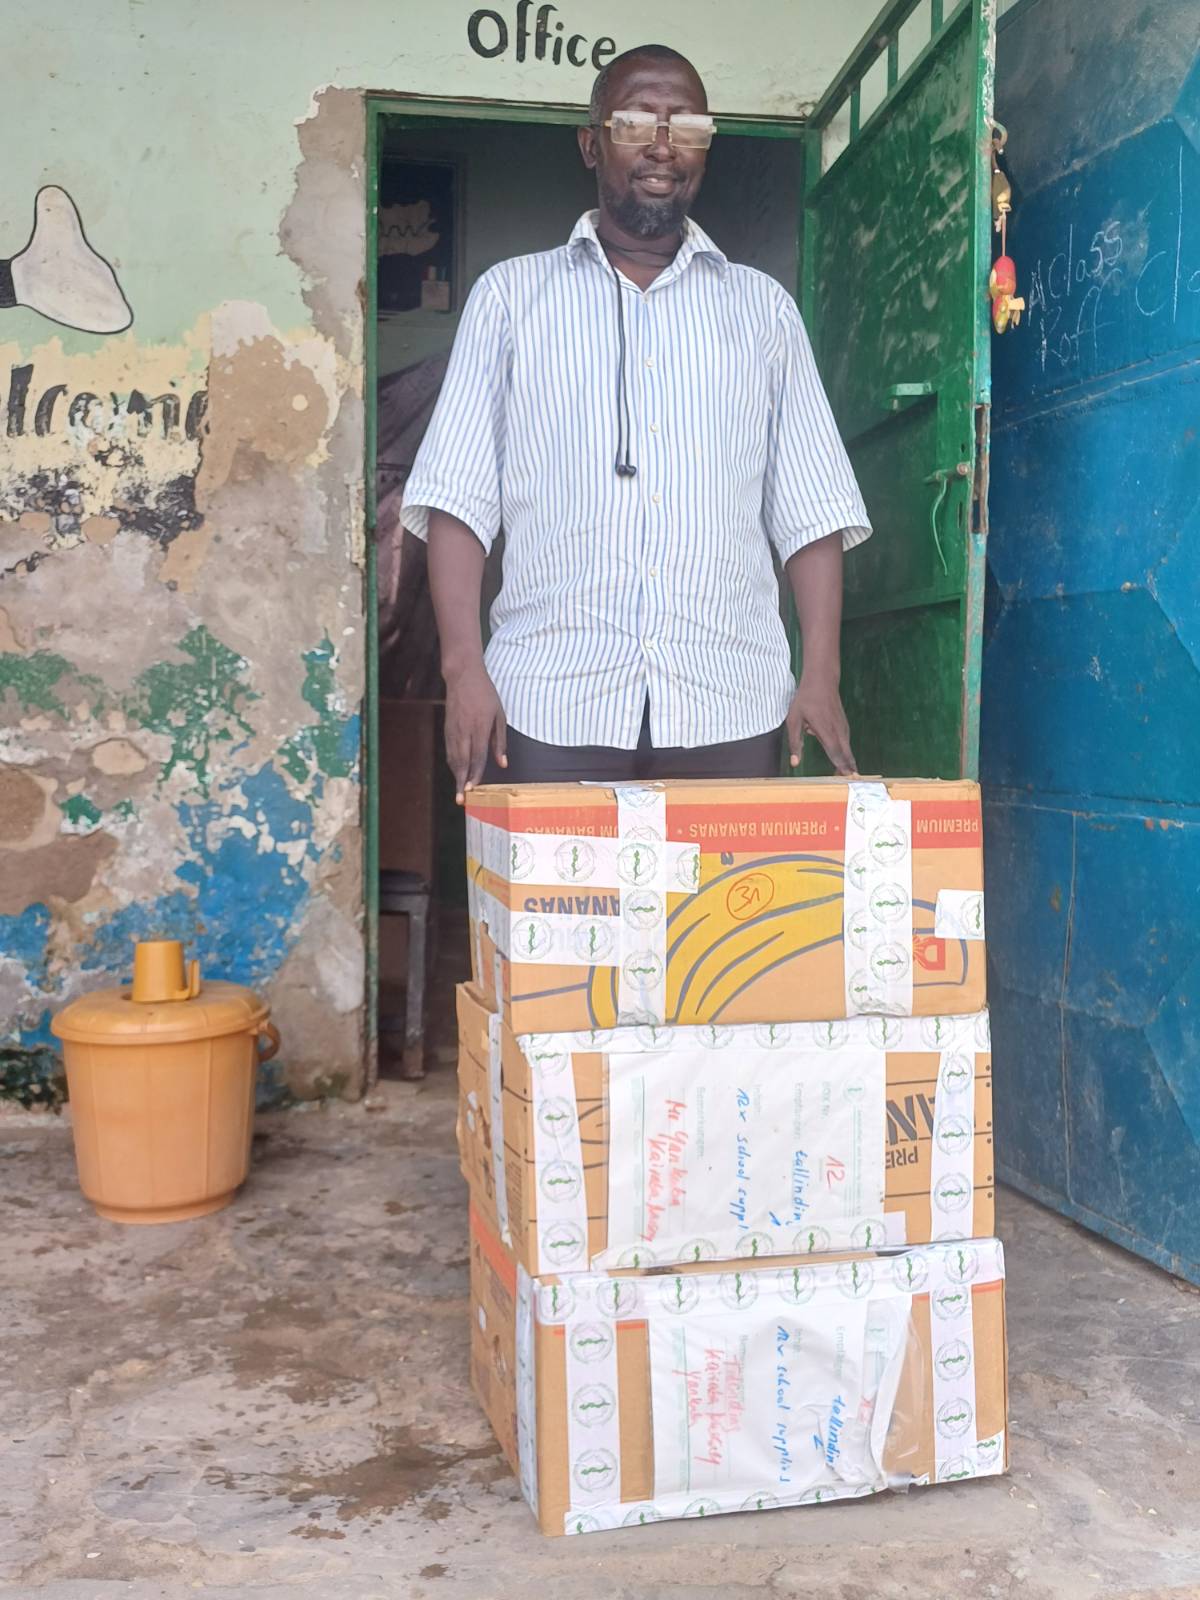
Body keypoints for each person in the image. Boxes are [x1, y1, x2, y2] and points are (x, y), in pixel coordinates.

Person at [401, 43, 871, 799]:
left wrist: (821, 673)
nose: (661, 145)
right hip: (549, 703)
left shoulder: (763, 312)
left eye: (685, 126)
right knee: (556, 886)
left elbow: (811, 510)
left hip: (730, 701)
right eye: (635, 123)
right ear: (591, 144)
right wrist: (463, 671)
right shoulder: (510, 300)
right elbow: (457, 502)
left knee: (728, 887)